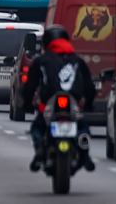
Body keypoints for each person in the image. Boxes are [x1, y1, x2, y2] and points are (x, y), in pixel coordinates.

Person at [22, 26, 96, 173]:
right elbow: (89, 86)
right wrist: (88, 104)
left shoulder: (41, 61)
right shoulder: (77, 61)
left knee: (37, 128)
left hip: (49, 106)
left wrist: (27, 104)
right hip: (73, 105)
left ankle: (40, 149)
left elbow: (30, 86)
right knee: (82, 126)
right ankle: (84, 149)